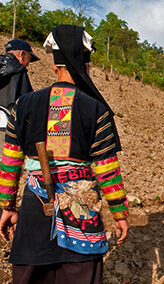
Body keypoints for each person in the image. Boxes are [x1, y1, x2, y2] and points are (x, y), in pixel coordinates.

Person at [0, 25, 129, 283]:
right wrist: (119, 213)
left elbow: (10, 161)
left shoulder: (24, 105)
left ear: (54, 67)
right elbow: (106, 168)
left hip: (35, 210)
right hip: (81, 214)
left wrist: (7, 206)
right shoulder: (96, 110)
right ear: (86, 67)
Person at [0, 39, 40, 148]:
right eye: (29, 59)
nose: (27, 65)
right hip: (5, 128)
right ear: (22, 54)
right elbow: (27, 104)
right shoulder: (18, 70)